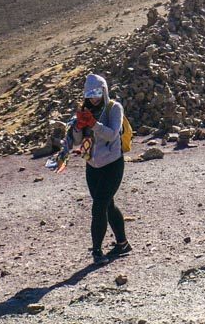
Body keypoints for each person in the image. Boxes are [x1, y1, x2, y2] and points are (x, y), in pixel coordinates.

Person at [68, 73, 132, 265]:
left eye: (97, 92)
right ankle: (123, 244)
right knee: (107, 205)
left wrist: (94, 124)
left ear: (103, 91)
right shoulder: (85, 110)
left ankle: (97, 251)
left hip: (112, 164)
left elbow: (112, 134)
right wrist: (78, 127)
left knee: (98, 207)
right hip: (92, 165)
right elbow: (77, 141)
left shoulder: (114, 108)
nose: (93, 97)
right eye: (89, 94)